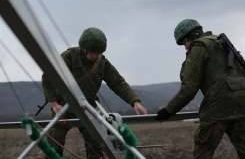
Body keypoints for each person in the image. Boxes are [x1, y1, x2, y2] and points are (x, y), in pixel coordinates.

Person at [42, 27, 148, 159]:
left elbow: (118, 84)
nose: (94, 55)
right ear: (84, 47)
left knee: (96, 150)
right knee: (53, 149)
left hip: (88, 110)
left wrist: (134, 101)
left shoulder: (102, 64)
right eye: (92, 52)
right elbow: (48, 78)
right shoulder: (68, 57)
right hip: (62, 109)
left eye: (97, 52)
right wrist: (54, 103)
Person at [155, 19, 245, 158]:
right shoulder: (220, 42)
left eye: (184, 43)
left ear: (189, 38)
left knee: (203, 149)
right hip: (241, 101)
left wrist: (168, 110)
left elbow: (189, 89)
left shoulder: (199, 47)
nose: (185, 48)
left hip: (219, 104)